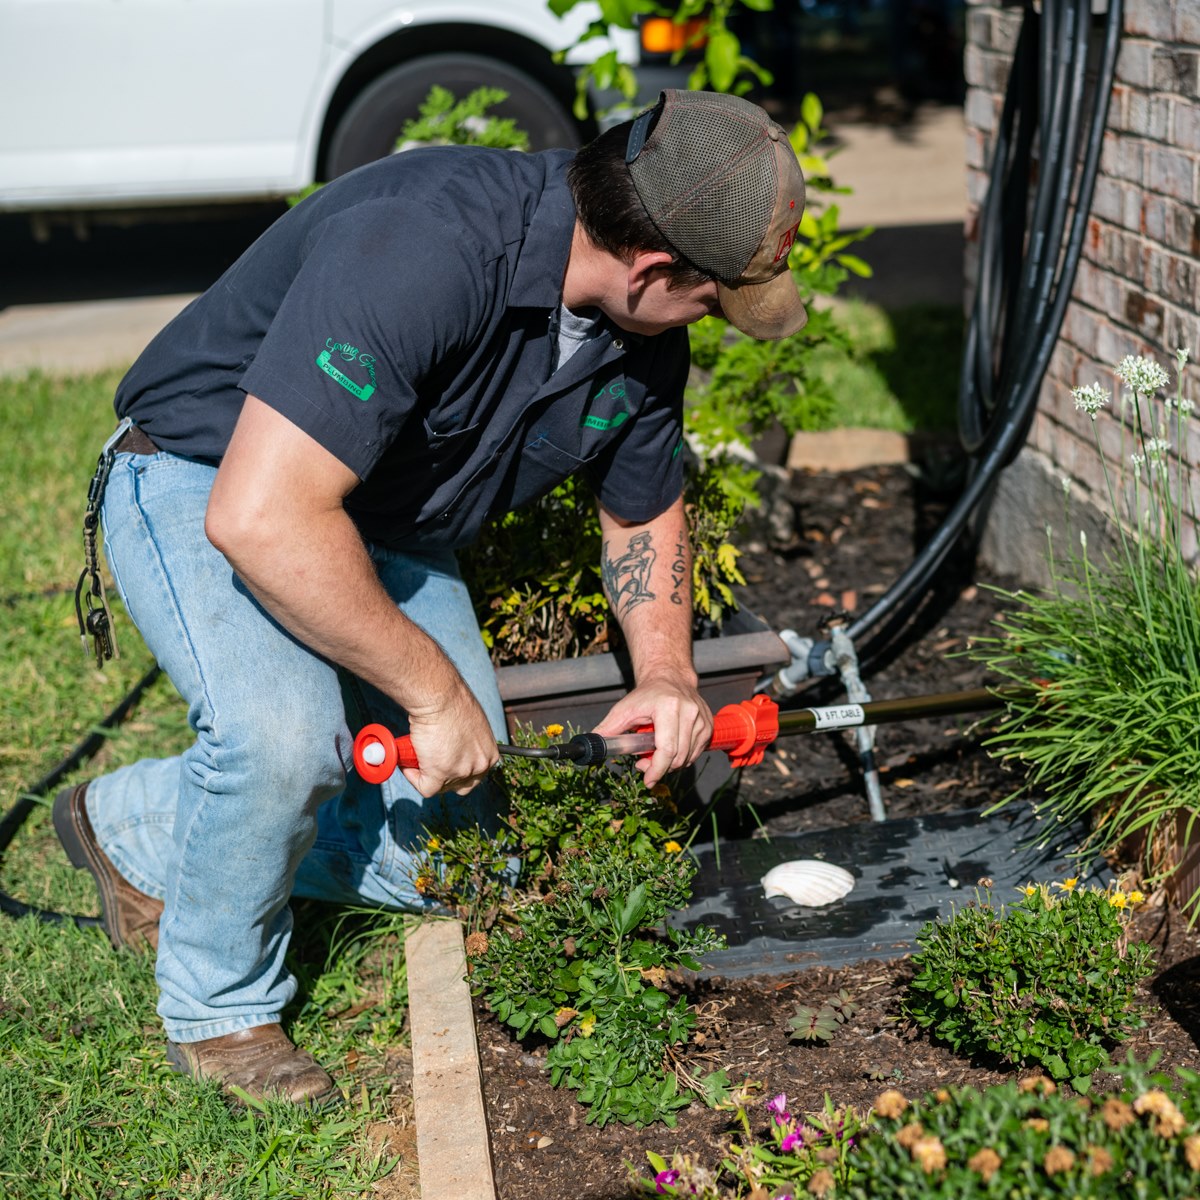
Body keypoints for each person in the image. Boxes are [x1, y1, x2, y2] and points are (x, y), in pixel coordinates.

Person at [52, 88, 809, 1107]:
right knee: (284, 739)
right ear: (655, 266)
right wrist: (434, 693)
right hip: (204, 477)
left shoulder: (641, 336)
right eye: (714, 299)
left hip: (377, 521)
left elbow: (642, 515)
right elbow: (262, 517)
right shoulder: (427, 245)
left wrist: (669, 673)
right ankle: (224, 1005)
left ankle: (132, 826)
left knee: (455, 864)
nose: (710, 324)